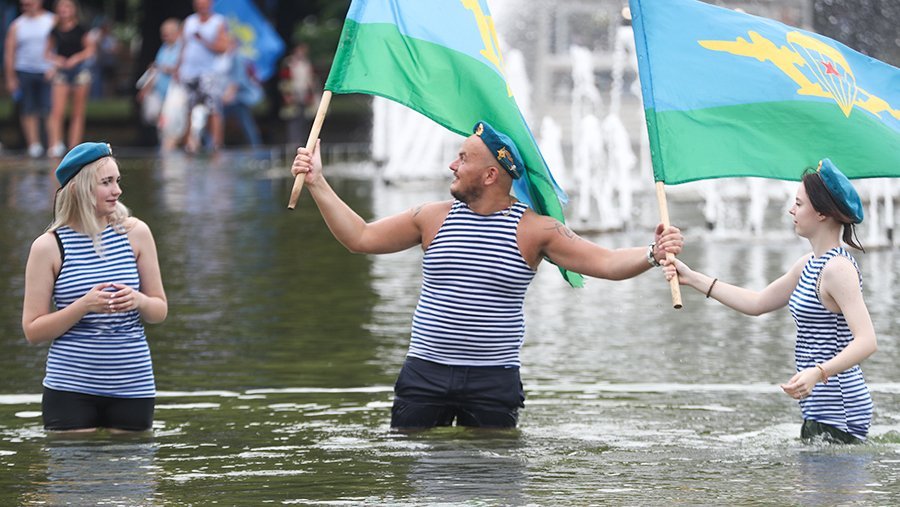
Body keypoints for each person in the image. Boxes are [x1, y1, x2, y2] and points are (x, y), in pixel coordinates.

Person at [291, 121, 684, 430]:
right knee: (415, 476)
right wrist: (318, 183)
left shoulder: (536, 230)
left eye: (463, 157)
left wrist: (653, 253)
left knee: (493, 479)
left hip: (493, 379)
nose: (452, 164)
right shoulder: (432, 217)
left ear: (491, 175)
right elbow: (360, 237)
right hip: (425, 372)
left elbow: (607, 262)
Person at [663, 159, 877, 444]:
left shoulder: (838, 269)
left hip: (841, 409)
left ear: (823, 213)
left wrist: (818, 372)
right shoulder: (809, 264)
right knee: (814, 486)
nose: (791, 210)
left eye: (799, 204)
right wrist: (692, 278)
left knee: (826, 487)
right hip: (820, 407)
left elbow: (867, 341)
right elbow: (758, 303)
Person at [21, 142, 168, 433]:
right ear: (78, 189)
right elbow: (32, 330)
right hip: (69, 386)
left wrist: (138, 300)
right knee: (72, 469)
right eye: (106, 182)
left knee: (132, 475)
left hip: (133, 381)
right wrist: (83, 306)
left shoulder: (136, 233)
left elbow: (159, 311)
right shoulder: (48, 247)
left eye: (117, 181)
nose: (117, 190)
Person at [175, 0, 229, 153]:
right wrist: (178, 68)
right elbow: (183, 47)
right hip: (188, 72)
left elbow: (223, 47)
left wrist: (204, 40)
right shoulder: (189, 21)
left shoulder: (218, 22)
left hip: (208, 73)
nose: (201, 6)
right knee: (188, 109)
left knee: (213, 109)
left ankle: (216, 145)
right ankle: (189, 145)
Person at [4, 0, 54, 158]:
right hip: (25, 70)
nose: (26, 5)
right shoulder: (17, 25)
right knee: (28, 108)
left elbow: (58, 46)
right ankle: (34, 144)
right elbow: (10, 52)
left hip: (47, 71)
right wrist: (11, 77)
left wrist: (54, 67)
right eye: (23, 4)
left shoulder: (52, 20)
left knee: (49, 109)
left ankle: (53, 144)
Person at [45, 0, 94, 158]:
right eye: (61, 8)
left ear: (73, 10)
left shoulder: (81, 29)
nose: (64, 10)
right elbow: (47, 52)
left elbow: (90, 49)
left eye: (67, 7)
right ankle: (55, 144)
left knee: (78, 112)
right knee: (57, 111)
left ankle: (75, 146)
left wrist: (76, 58)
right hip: (62, 71)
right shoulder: (55, 30)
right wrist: (57, 60)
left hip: (79, 70)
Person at [136, 18, 182, 148]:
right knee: (155, 117)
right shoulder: (164, 48)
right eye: (163, 34)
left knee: (170, 123)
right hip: (160, 93)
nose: (164, 37)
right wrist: (146, 89)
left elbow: (178, 68)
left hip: (175, 94)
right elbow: (155, 70)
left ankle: (168, 147)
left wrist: (163, 68)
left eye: (167, 34)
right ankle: (165, 145)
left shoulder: (182, 47)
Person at [222, 37, 262, 147]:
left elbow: (237, 79)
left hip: (238, 97)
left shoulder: (237, 57)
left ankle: (256, 147)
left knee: (244, 123)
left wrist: (229, 95)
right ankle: (256, 146)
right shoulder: (229, 57)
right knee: (245, 122)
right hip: (236, 97)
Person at [278, 42, 318, 144]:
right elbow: (284, 80)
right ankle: (293, 142)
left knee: (304, 119)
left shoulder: (306, 63)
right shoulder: (288, 63)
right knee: (293, 118)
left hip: (304, 94)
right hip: (292, 93)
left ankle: (303, 141)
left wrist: (311, 94)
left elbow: (311, 79)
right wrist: (287, 95)